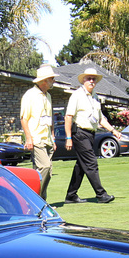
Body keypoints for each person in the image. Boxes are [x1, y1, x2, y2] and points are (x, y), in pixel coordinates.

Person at [63, 67, 117, 203]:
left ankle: (71, 195)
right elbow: (68, 117)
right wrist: (68, 137)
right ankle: (101, 194)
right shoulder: (76, 95)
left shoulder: (95, 97)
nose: (91, 81)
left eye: (94, 79)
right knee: (91, 162)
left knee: (81, 166)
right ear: (83, 81)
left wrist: (113, 130)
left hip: (90, 134)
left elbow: (100, 119)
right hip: (79, 133)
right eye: (89, 79)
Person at [20, 64, 58, 198]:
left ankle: (41, 202)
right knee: (45, 167)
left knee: (46, 172)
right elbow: (24, 119)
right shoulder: (30, 95)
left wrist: (53, 138)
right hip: (36, 139)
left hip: (47, 139)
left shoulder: (48, 96)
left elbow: (50, 119)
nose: (54, 81)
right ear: (44, 80)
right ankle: (34, 199)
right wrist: (29, 139)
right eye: (52, 78)